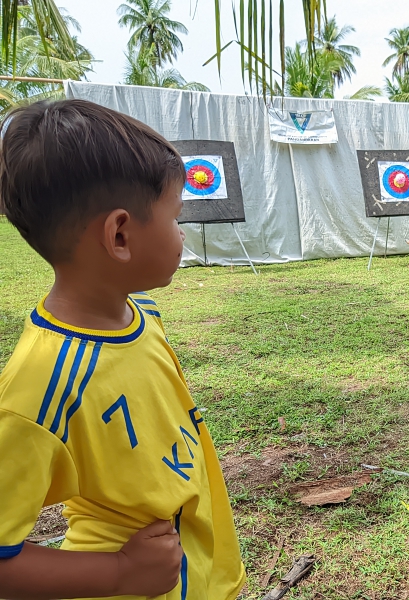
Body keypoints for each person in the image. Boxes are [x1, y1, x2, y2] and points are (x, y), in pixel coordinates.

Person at [0, 100, 245, 599]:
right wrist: (119, 573)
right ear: (119, 235)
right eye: (176, 217)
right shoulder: (41, 384)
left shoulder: (142, 316)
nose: (181, 235)